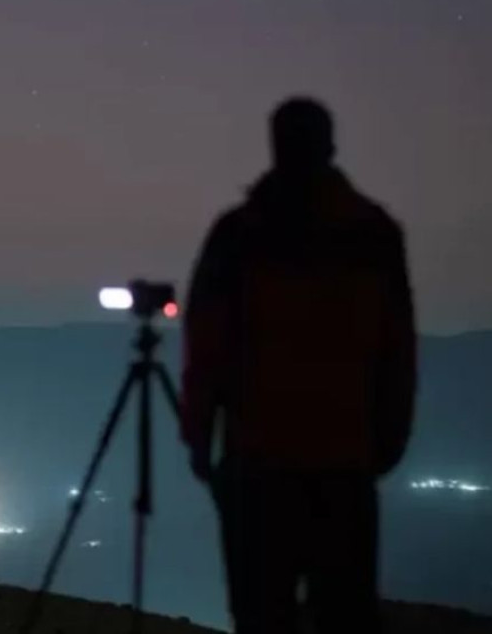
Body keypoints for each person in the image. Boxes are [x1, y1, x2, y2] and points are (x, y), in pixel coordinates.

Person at [180, 97, 417, 634]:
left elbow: (206, 345)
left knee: (262, 614)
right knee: (344, 612)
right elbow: (396, 349)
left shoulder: (240, 234)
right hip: (344, 461)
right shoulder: (373, 234)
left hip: (259, 461)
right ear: (329, 145)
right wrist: (387, 440)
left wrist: (199, 438)